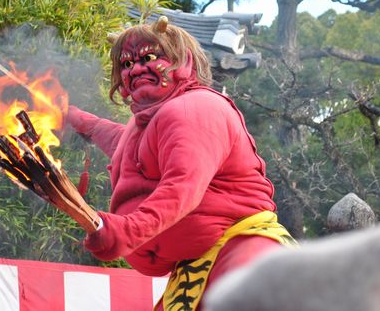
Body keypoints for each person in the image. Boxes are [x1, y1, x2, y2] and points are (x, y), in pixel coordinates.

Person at [66, 16, 296, 311]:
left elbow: (182, 186)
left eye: (149, 58)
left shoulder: (196, 108)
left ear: (182, 60)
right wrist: (73, 117)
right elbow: (131, 150)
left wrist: (126, 230)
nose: (135, 69)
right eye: (126, 64)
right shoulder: (149, 123)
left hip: (243, 251)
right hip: (196, 267)